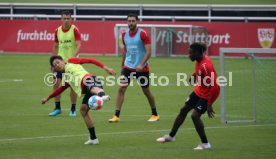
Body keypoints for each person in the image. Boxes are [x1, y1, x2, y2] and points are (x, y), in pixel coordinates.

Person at [156, 43, 220, 150]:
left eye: (191, 53)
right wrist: (194, 76)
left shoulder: (206, 65)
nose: (189, 55)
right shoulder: (198, 60)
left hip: (209, 92)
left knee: (195, 116)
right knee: (184, 110)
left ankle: (205, 143)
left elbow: (214, 86)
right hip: (200, 89)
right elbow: (198, 72)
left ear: (197, 53)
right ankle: (171, 136)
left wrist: (209, 103)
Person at [41, 56, 115, 145]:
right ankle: (93, 138)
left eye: (58, 62)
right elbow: (60, 89)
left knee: (91, 86)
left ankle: (102, 96)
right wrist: (47, 98)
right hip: (86, 89)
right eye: (55, 65)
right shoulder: (66, 79)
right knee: (83, 110)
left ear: (63, 61)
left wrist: (105, 68)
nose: (57, 65)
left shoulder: (72, 61)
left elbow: (90, 60)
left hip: (90, 79)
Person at [108, 14, 159, 123]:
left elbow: (149, 52)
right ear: (127, 22)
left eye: (133, 21)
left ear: (137, 21)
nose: (131, 23)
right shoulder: (124, 35)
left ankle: (155, 114)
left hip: (142, 68)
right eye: (129, 21)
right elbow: (126, 50)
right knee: (121, 89)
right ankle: (116, 115)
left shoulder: (143, 34)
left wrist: (141, 64)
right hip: (128, 67)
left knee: (146, 91)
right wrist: (122, 64)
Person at [50, 10, 82, 117]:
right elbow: (55, 46)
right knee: (55, 83)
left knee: (72, 86)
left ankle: (73, 109)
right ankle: (57, 107)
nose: (66, 20)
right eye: (64, 18)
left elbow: (79, 45)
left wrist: (72, 58)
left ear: (71, 19)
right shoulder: (57, 31)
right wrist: (52, 63)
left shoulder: (74, 30)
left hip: (72, 64)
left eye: (68, 18)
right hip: (59, 63)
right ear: (61, 19)